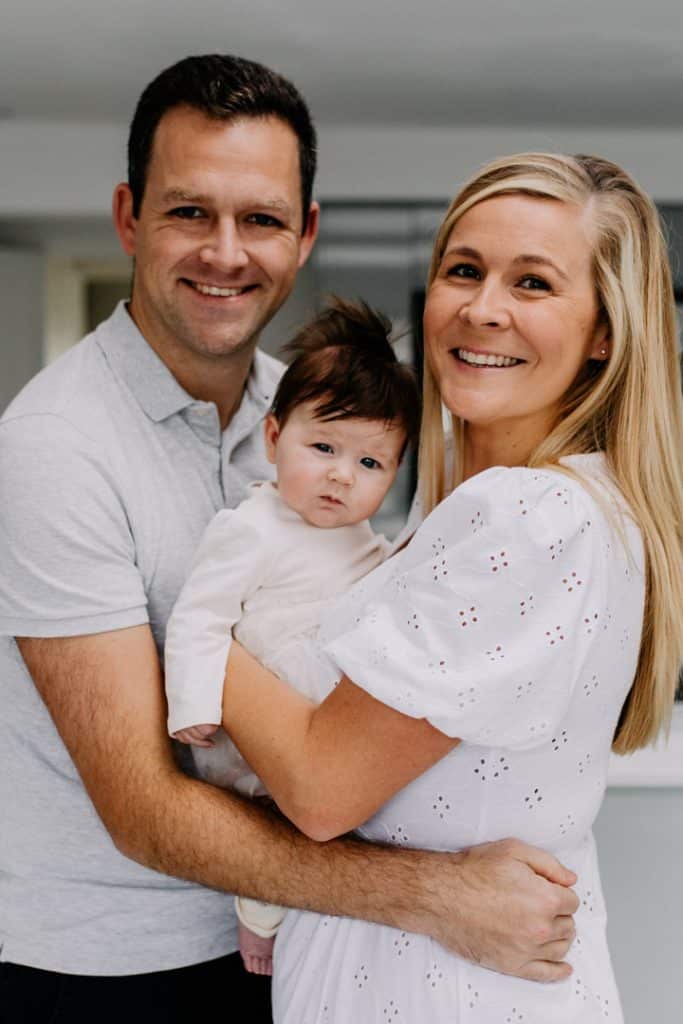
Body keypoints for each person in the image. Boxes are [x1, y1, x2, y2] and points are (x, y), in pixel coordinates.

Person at [0, 53, 578, 1024]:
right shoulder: (53, 449)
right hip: (105, 973)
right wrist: (438, 895)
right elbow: (141, 808)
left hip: (288, 937)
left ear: (303, 234)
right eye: (189, 211)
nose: (226, 251)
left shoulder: (306, 415)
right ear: (127, 216)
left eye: (260, 219)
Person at [217, 152, 683, 1022]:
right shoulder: (486, 514)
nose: (482, 309)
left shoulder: (530, 514)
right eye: (462, 270)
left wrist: (177, 619)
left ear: (603, 332)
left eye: (533, 283)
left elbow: (320, 786)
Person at [164, 297, 420, 975]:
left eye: (371, 465)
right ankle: (256, 925)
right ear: (274, 436)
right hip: (244, 744)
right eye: (324, 447)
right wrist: (191, 703)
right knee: (270, 839)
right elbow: (198, 617)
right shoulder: (249, 527)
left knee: (335, 835)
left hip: (321, 733)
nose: (342, 475)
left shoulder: (363, 540)